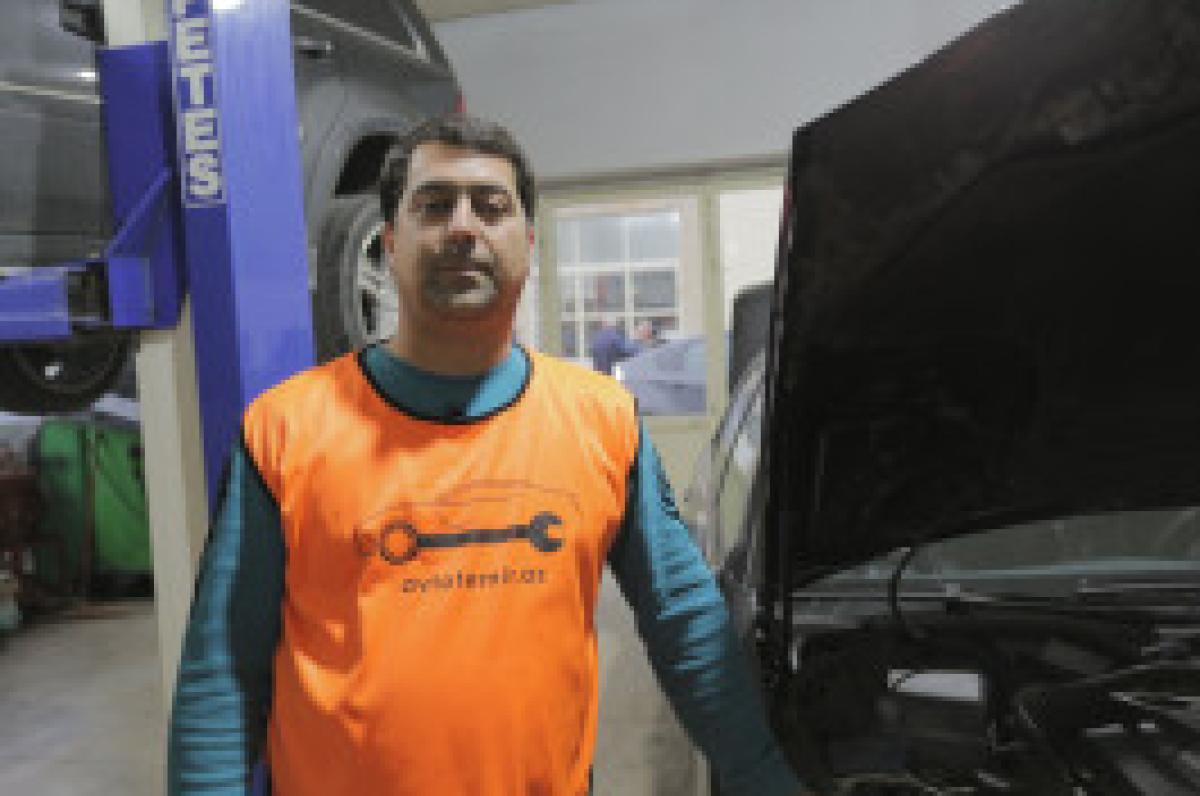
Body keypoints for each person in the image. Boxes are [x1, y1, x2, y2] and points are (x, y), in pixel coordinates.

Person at [168, 114, 808, 796]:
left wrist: (766, 780)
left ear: (527, 243)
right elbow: (223, 670)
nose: (463, 227)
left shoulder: (602, 421)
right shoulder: (286, 430)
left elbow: (687, 625)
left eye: (491, 206)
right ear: (390, 244)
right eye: (434, 205)